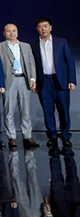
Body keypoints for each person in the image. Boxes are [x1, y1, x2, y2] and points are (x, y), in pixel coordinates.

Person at [31, 17, 77, 148]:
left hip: (60, 81)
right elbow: (32, 64)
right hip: (43, 82)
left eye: (45, 26)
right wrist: (33, 80)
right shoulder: (33, 45)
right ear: (37, 29)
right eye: (40, 27)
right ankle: (52, 137)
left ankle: (66, 136)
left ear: (50, 28)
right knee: (48, 111)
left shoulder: (61, 42)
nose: (43, 29)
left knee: (63, 110)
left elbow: (70, 62)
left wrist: (72, 80)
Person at [0, 23, 39, 149]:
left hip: (23, 79)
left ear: (17, 32)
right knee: (8, 110)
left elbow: (31, 63)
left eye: (14, 31)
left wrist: (32, 79)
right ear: (4, 33)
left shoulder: (25, 46)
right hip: (8, 80)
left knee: (25, 110)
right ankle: (12, 137)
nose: (11, 33)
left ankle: (27, 136)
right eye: (8, 31)